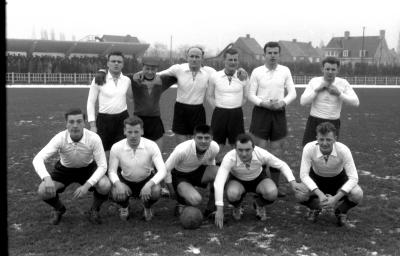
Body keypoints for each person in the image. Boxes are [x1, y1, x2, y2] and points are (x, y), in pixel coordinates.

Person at [32, 108, 111, 225]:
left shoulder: (94, 138)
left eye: (79, 121)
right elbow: (37, 159)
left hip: (87, 168)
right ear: (66, 124)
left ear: (84, 123)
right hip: (65, 170)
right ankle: (59, 209)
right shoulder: (60, 137)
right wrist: (46, 178)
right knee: (43, 190)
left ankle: (94, 210)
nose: (75, 125)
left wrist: (87, 185)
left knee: (105, 185)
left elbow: (103, 166)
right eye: (71, 122)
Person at [213, 133, 302, 229]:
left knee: (272, 192)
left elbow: (281, 165)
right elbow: (219, 181)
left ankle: (259, 204)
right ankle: (238, 206)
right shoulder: (229, 157)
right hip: (238, 180)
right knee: (232, 194)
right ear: (235, 148)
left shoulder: (261, 153)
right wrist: (219, 208)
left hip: (258, 178)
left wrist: (293, 182)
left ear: (253, 148)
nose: (244, 154)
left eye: (247, 150)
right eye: (240, 150)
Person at [248, 41, 297, 197]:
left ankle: (275, 186)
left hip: (278, 113)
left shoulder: (285, 71)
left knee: (277, 150)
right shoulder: (257, 71)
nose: (273, 55)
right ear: (265, 54)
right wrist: (263, 103)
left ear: (279, 54)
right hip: (261, 112)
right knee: (259, 150)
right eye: (270, 52)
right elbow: (250, 94)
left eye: (276, 53)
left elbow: (292, 93)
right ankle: (260, 185)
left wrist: (282, 102)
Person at [296, 122, 363, 227]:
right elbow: (304, 175)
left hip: (339, 179)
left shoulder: (344, 150)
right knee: (299, 193)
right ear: (316, 138)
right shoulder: (309, 148)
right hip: (317, 179)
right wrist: (319, 194)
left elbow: (354, 177)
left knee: (357, 193)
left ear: (335, 139)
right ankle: (315, 208)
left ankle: (341, 211)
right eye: (321, 139)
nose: (324, 143)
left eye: (328, 139)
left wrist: (336, 198)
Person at [108, 116, 167, 221]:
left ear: (142, 131)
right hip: (126, 180)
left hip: (146, 179)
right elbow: (112, 171)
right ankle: (125, 207)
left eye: (136, 132)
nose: (133, 136)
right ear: (124, 131)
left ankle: (147, 207)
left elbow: (162, 170)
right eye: (130, 132)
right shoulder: (116, 147)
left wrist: (149, 185)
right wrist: (118, 184)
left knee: (156, 191)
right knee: (116, 192)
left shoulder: (152, 145)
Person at [157, 46, 217, 145]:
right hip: (180, 110)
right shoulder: (178, 69)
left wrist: (240, 73)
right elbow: (159, 74)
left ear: (202, 58)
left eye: (197, 57)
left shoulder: (209, 72)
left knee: (197, 146)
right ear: (187, 57)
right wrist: (141, 74)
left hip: (198, 111)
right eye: (192, 56)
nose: (194, 59)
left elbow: (224, 75)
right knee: (181, 146)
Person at [300, 56, 360, 146]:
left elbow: (356, 102)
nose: (330, 72)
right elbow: (303, 101)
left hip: (333, 122)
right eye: (327, 69)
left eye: (333, 69)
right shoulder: (314, 81)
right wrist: (317, 90)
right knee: (309, 150)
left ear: (338, 70)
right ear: (322, 69)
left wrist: (339, 94)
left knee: (330, 153)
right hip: (314, 121)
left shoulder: (343, 83)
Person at [164, 124, 220, 218]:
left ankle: (211, 207)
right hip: (180, 175)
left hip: (197, 171)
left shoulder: (214, 147)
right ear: (193, 138)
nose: (203, 141)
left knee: (220, 174)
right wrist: (172, 191)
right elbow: (166, 169)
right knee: (196, 199)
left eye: (207, 138)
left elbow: (211, 161)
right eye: (200, 138)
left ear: (212, 138)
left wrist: (212, 184)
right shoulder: (182, 150)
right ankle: (181, 202)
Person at [206, 48, 248, 164]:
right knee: (216, 145)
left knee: (237, 145)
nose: (233, 62)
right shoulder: (215, 76)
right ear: (224, 60)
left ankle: (237, 171)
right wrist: (219, 108)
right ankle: (216, 171)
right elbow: (209, 96)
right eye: (230, 59)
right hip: (219, 114)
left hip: (236, 114)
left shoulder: (243, 77)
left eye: (235, 60)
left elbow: (245, 97)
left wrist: (234, 107)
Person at [87, 51, 131, 157]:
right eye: (113, 61)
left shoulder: (127, 80)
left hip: (122, 119)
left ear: (123, 64)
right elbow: (90, 102)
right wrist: (92, 124)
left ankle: (119, 173)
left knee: (122, 151)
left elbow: (132, 96)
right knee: (103, 152)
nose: (116, 63)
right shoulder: (99, 79)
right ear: (108, 63)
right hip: (104, 120)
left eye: (119, 61)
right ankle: (104, 172)